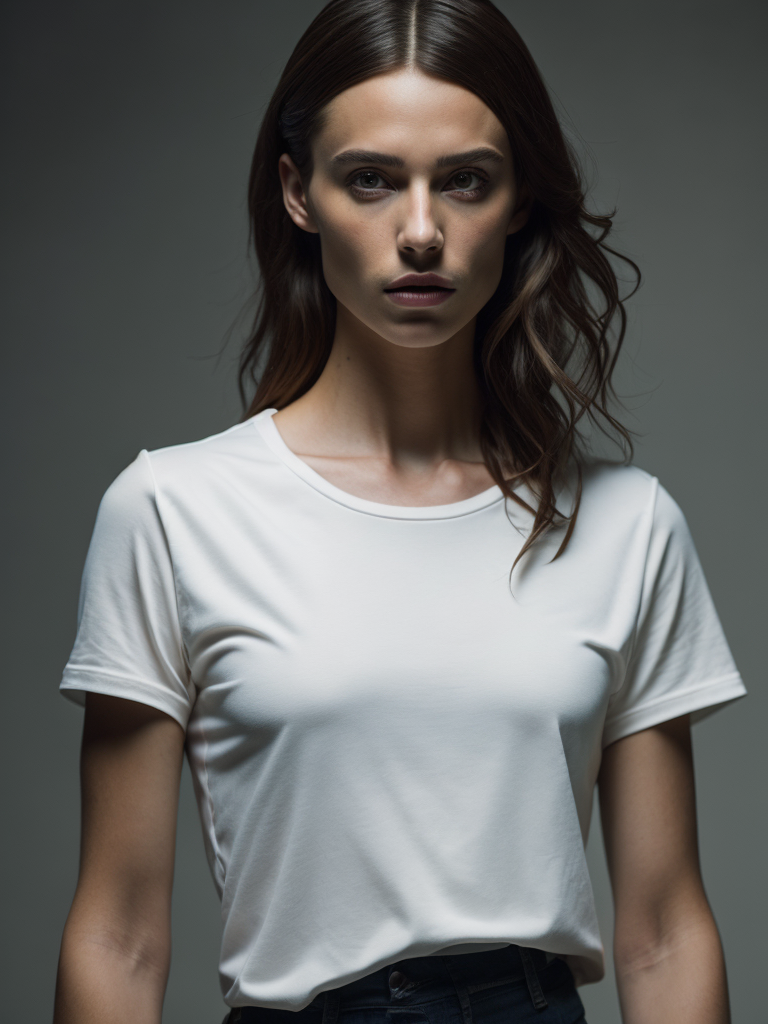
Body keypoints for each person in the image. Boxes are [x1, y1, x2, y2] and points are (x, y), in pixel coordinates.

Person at [52, 2, 747, 1022]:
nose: (420, 231)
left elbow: (662, 928)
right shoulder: (171, 511)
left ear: (517, 203)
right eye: (371, 179)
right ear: (299, 191)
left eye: (465, 180)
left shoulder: (628, 524)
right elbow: (117, 931)